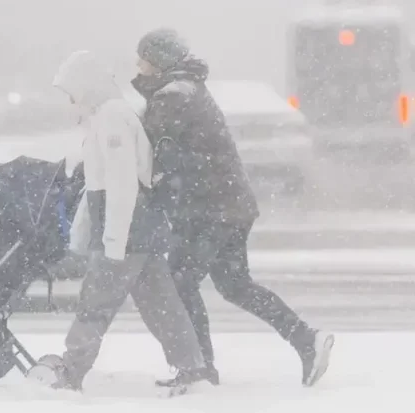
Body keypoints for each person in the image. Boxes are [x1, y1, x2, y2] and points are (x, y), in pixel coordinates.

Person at [131, 28, 334, 387]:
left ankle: (200, 368)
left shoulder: (173, 96)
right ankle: (305, 339)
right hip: (228, 206)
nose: (138, 66)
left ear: (159, 61)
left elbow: (149, 151)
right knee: (235, 285)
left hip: (208, 210)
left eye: (143, 59)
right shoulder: (187, 88)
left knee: (180, 283)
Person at [45, 50, 211, 393]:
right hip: (140, 229)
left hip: (126, 229)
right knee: (160, 303)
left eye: (71, 90)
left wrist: (113, 241)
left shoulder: (112, 118)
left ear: (86, 85)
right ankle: (191, 369)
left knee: (94, 303)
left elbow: (121, 184)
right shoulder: (107, 115)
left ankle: (71, 373)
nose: (70, 99)